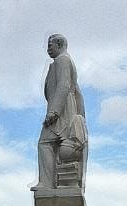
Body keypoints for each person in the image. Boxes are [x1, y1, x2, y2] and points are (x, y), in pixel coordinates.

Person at [37, 34, 87, 189]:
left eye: (50, 45)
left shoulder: (62, 60)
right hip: (66, 107)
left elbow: (64, 85)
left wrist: (53, 112)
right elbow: (76, 90)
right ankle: (57, 182)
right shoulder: (65, 60)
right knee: (52, 144)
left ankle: (47, 183)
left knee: (45, 143)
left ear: (59, 44)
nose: (47, 49)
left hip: (63, 110)